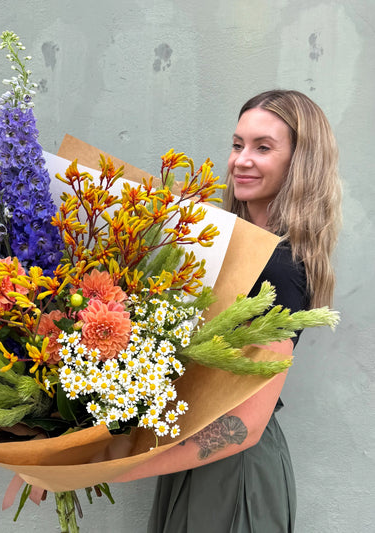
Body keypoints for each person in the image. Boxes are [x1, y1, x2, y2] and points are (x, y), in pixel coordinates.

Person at [115, 90, 342, 532]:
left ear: (300, 163)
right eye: (238, 144)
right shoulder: (227, 247)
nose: (241, 160)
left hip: (232, 474)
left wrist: (106, 468)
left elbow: (245, 425)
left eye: (263, 147)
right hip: (192, 460)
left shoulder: (279, 266)